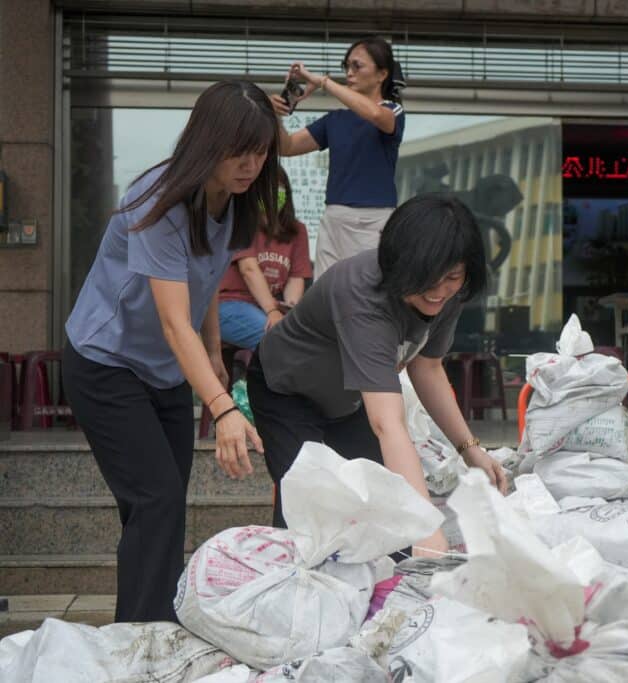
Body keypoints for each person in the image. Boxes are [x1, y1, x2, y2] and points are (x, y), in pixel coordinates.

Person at [61, 80, 275, 622]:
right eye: (238, 150)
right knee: (155, 499)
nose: (251, 164)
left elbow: (200, 284)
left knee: (160, 503)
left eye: (261, 149)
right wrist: (221, 406)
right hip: (105, 363)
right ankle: (141, 633)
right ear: (207, 141)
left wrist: (214, 353)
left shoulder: (232, 201)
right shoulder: (160, 200)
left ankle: (143, 627)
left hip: (164, 371)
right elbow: (171, 319)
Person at [247, 194, 507, 557]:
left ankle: (384, 601)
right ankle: (291, 597)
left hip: (349, 394)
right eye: (427, 279)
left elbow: (427, 367)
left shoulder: (450, 292)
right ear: (400, 265)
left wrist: (470, 449)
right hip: (286, 388)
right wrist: (426, 528)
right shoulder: (361, 294)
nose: (438, 292)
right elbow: (387, 423)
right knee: (309, 503)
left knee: (382, 499)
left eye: (451, 277)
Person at [271, 36, 405, 276]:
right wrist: (275, 114)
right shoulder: (336, 119)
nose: (350, 73)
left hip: (373, 220)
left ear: (382, 74)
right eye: (347, 66)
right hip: (334, 216)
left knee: (367, 296)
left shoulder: (392, 109)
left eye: (357, 65)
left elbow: (375, 115)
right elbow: (287, 146)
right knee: (325, 296)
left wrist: (323, 82)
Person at [218, 167, 312, 350]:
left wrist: (290, 311)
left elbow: (295, 278)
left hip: (269, 308)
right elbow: (248, 269)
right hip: (230, 304)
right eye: (264, 188)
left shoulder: (297, 230)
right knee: (280, 342)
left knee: (301, 339)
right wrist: (272, 310)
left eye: (277, 188)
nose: (272, 194)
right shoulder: (240, 222)